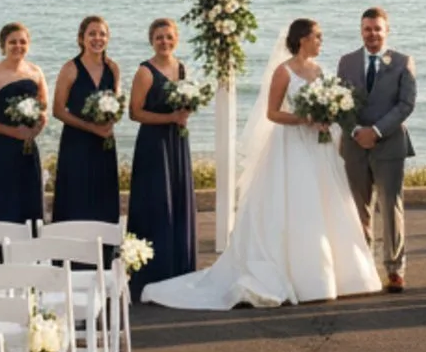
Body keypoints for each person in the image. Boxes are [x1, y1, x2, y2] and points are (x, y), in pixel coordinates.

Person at [141, 18, 383, 309]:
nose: (321, 41)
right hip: (291, 146)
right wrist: (304, 119)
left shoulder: (319, 71)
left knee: (326, 204)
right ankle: (305, 277)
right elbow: (272, 113)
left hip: (320, 149)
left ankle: (340, 275)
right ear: (302, 39)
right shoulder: (284, 72)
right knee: (297, 207)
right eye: (317, 36)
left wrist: (326, 117)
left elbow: (330, 107)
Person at [338, 7, 416, 293]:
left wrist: (377, 131)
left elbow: (406, 104)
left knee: (390, 206)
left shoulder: (402, 62)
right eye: (367, 29)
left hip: (389, 144)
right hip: (354, 146)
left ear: (387, 30)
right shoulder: (346, 62)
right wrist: (358, 131)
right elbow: (339, 102)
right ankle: (362, 266)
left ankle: (395, 269)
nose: (372, 34)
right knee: (358, 209)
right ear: (361, 30)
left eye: (377, 29)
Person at [124, 17, 197, 293]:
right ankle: (151, 271)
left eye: (168, 37)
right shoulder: (145, 71)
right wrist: (170, 117)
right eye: (159, 38)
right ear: (151, 40)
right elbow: (135, 112)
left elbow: (185, 103)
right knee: (155, 201)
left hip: (177, 142)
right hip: (154, 144)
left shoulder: (181, 68)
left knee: (176, 199)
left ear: (176, 38)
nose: (164, 42)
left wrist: (186, 111)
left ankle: (178, 266)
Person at [0, 23, 47, 223]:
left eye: (22, 41)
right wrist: (12, 132)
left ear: (28, 44)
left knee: (27, 199)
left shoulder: (36, 72)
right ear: (3, 45)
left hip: (27, 148)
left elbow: (43, 109)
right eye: (12, 42)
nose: (17, 46)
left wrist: (36, 129)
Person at [51, 15, 123, 224]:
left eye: (102, 34)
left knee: (104, 195)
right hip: (77, 143)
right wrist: (91, 127)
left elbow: (117, 103)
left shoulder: (113, 68)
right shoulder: (70, 69)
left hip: (104, 143)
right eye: (92, 34)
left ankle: (104, 252)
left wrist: (111, 121)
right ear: (81, 38)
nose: (97, 38)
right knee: (76, 196)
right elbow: (58, 110)